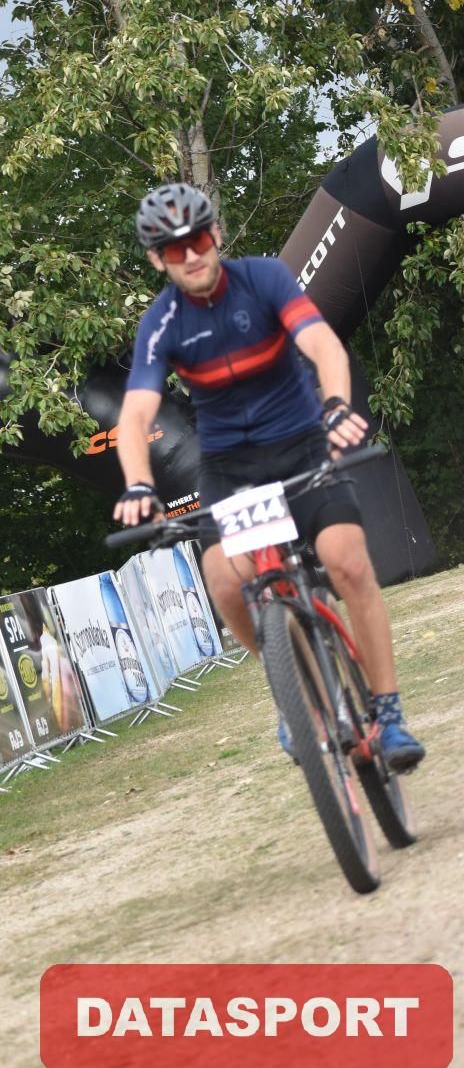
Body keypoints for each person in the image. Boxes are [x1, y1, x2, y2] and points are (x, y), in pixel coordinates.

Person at [113, 182, 425, 772]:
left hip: (301, 445)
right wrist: (138, 484)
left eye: (198, 240)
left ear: (216, 235)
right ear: (157, 260)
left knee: (347, 562)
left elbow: (324, 347)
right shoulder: (161, 323)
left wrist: (337, 406)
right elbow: (134, 418)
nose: (191, 255)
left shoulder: (265, 280)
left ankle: (388, 716)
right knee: (225, 583)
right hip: (231, 469)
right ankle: (295, 693)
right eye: (175, 249)